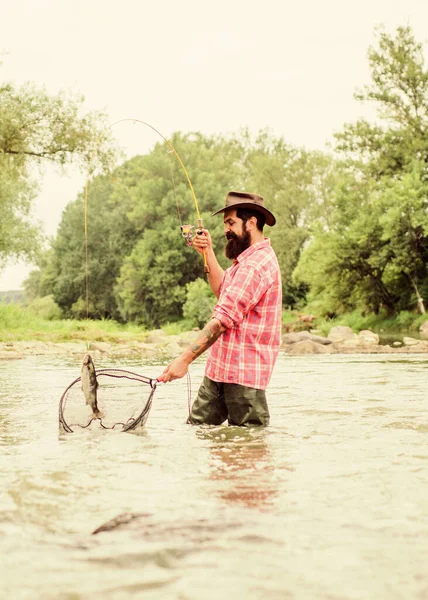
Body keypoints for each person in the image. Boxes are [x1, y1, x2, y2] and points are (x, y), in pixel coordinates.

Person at [157, 190, 282, 426]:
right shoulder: (243, 262)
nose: (226, 230)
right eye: (225, 224)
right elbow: (222, 291)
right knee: (199, 432)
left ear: (251, 223)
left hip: (245, 379)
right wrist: (207, 252)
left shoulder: (255, 265)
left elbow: (222, 319)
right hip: (219, 372)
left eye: (231, 223)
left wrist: (184, 359)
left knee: (248, 449)